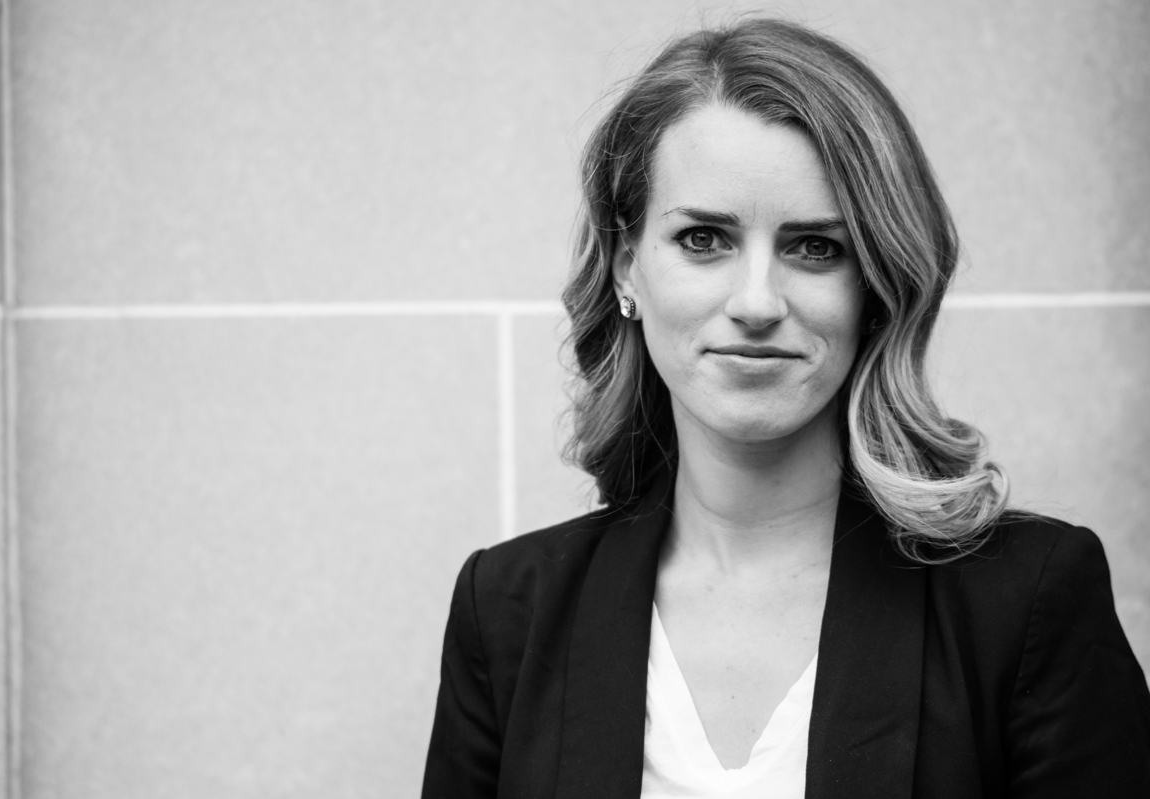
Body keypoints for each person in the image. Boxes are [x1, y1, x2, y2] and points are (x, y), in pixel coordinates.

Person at [421, 17, 1150, 799]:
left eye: (815, 248)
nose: (757, 302)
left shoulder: (1027, 598)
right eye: (704, 239)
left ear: (875, 286)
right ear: (628, 267)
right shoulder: (507, 611)